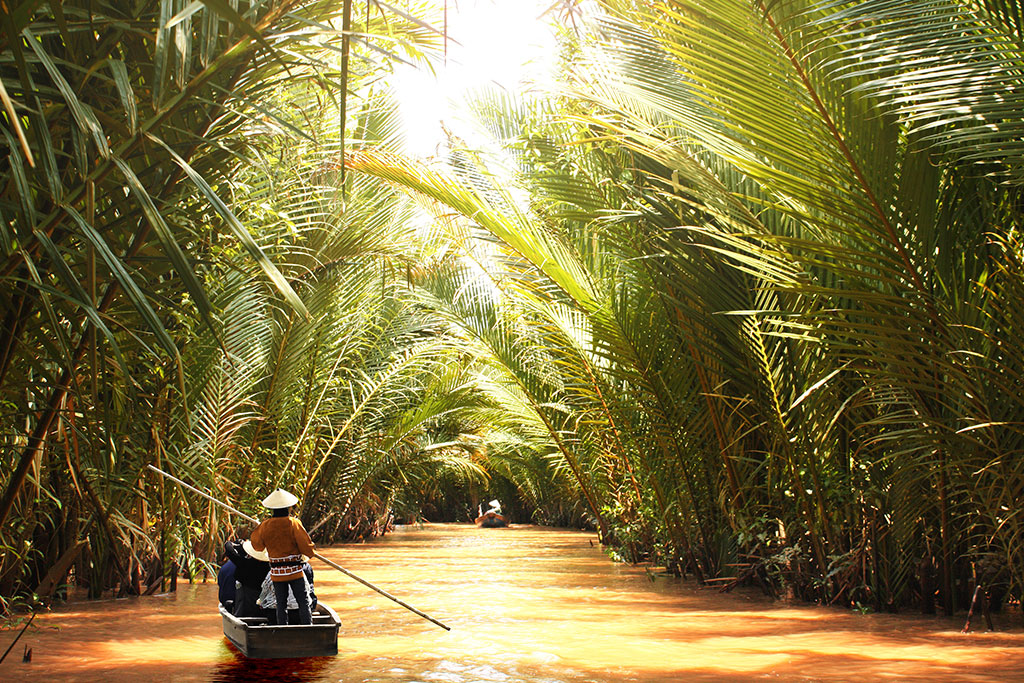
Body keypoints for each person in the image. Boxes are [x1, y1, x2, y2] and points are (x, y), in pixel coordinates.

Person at [249, 488, 316, 625]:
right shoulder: (293, 523)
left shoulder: (265, 526)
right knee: (303, 602)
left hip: (277, 573)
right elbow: (306, 547)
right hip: (295, 571)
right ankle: (308, 627)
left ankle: (282, 628)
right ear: (288, 507)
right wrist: (311, 551)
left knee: (281, 603)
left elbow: (257, 546)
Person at [223, 538, 270, 617]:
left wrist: (233, 544)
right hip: (262, 596)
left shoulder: (245, 563)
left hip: (247, 597)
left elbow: (230, 551)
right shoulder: (268, 565)